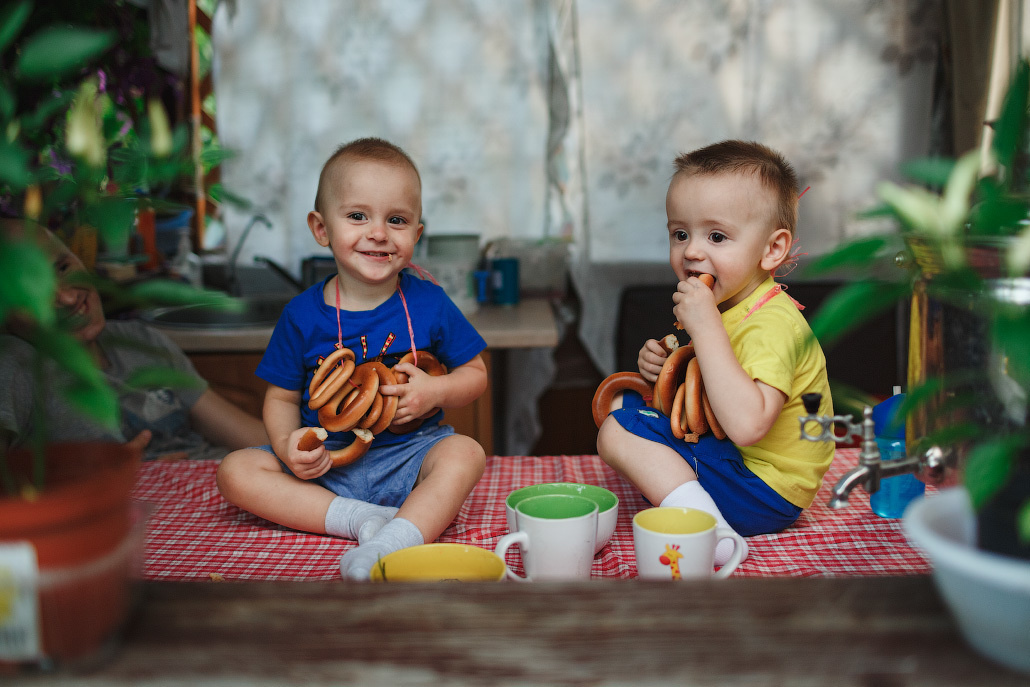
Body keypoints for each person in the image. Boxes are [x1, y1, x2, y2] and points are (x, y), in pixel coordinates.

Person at [216, 137, 488, 581]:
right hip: (327, 465)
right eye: (358, 216)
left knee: (465, 452)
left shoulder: (431, 303)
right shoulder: (302, 315)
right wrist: (289, 445)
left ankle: (394, 541)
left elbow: (475, 375)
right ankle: (359, 519)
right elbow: (281, 399)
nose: (378, 232)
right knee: (235, 472)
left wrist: (435, 390)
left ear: (416, 234)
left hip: (409, 456)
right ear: (321, 229)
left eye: (396, 219)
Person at [596, 140, 834, 565]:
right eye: (680, 234)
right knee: (630, 407)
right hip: (741, 467)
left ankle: (712, 532)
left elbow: (746, 425)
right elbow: (701, 390)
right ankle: (696, 502)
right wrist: (659, 367)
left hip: (764, 487)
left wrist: (704, 329)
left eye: (717, 236)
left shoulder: (773, 323)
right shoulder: (730, 306)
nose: (691, 251)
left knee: (618, 430)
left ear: (772, 249)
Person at [0, 225, 268, 459]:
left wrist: (302, 449)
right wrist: (104, 479)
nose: (69, 298)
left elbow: (246, 435)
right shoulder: (15, 366)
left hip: (219, 482)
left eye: (63, 267)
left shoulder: (139, 339)